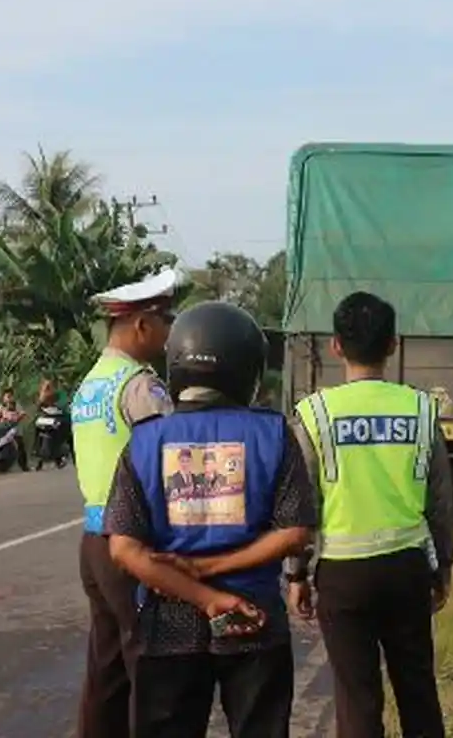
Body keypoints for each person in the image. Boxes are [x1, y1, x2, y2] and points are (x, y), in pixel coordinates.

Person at [103, 300, 318, 738]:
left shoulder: (144, 441)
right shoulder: (274, 433)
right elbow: (296, 531)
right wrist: (216, 580)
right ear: (248, 369)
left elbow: (123, 549)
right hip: (255, 619)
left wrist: (200, 590)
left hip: (168, 624)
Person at [284, 291, 453, 738]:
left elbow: (301, 505)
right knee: (417, 689)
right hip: (407, 568)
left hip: (342, 576)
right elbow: (441, 502)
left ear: (336, 346)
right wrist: (442, 571)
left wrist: (297, 575)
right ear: (393, 345)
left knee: (357, 699)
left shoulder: (314, 414)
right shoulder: (421, 410)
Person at [71, 268, 180, 738]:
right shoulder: (141, 386)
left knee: (107, 667)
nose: (170, 332)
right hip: (131, 546)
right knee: (150, 668)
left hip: (94, 543)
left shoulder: (90, 385)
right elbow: (172, 463)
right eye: (166, 320)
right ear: (142, 325)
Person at [0, 388, 30, 471]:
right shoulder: (1, 406)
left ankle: (24, 465)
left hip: (15, 428)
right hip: (4, 428)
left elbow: (23, 414)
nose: (9, 398)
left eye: (10, 396)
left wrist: (17, 418)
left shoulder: (16, 405)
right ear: (3, 397)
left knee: (20, 445)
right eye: (7, 396)